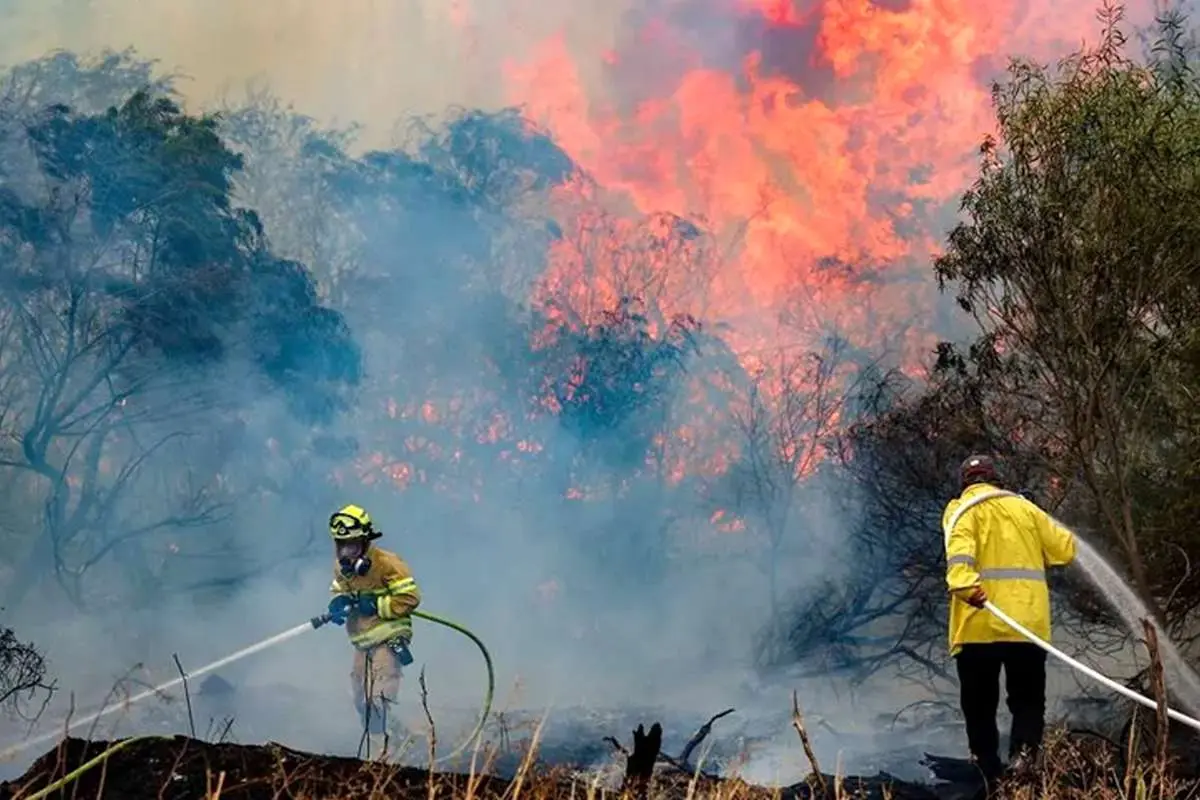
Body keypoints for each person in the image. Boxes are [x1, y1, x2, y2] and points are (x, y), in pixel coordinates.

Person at [943, 455, 1076, 782]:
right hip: (1027, 627)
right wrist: (1033, 515)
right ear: (996, 479)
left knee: (979, 706)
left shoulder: (961, 509)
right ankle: (1023, 763)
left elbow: (959, 555)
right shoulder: (1025, 508)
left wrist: (964, 586)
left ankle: (987, 771)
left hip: (978, 625)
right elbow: (1065, 549)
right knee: (1028, 702)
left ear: (965, 482)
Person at [325, 504, 422, 736]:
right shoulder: (341, 568)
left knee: (379, 697)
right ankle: (399, 736)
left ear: (366, 542)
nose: (347, 553)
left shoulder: (387, 563)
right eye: (342, 546)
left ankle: (382, 752)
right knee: (360, 698)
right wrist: (338, 604)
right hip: (363, 639)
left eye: (353, 546)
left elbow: (410, 598)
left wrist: (377, 605)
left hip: (389, 636)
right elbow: (339, 590)